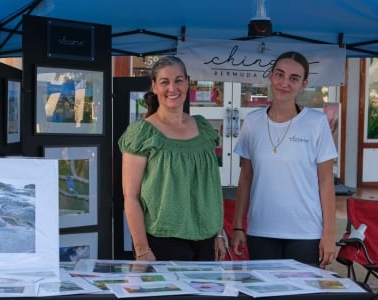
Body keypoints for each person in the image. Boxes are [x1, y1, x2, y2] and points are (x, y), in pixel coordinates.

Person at [231, 51, 338, 268]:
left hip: (305, 233)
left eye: (294, 78)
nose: (285, 83)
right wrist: (237, 226)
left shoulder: (316, 122)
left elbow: (326, 183)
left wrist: (329, 234)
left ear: (303, 84)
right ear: (271, 76)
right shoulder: (252, 122)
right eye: (279, 75)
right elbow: (245, 178)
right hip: (261, 230)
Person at [118, 56, 226, 261]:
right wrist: (141, 250)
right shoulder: (142, 133)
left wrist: (219, 233)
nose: (172, 88)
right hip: (162, 241)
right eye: (164, 82)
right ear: (154, 86)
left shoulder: (203, 129)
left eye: (178, 80)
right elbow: (130, 197)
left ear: (187, 82)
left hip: (207, 240)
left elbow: (211, 187)